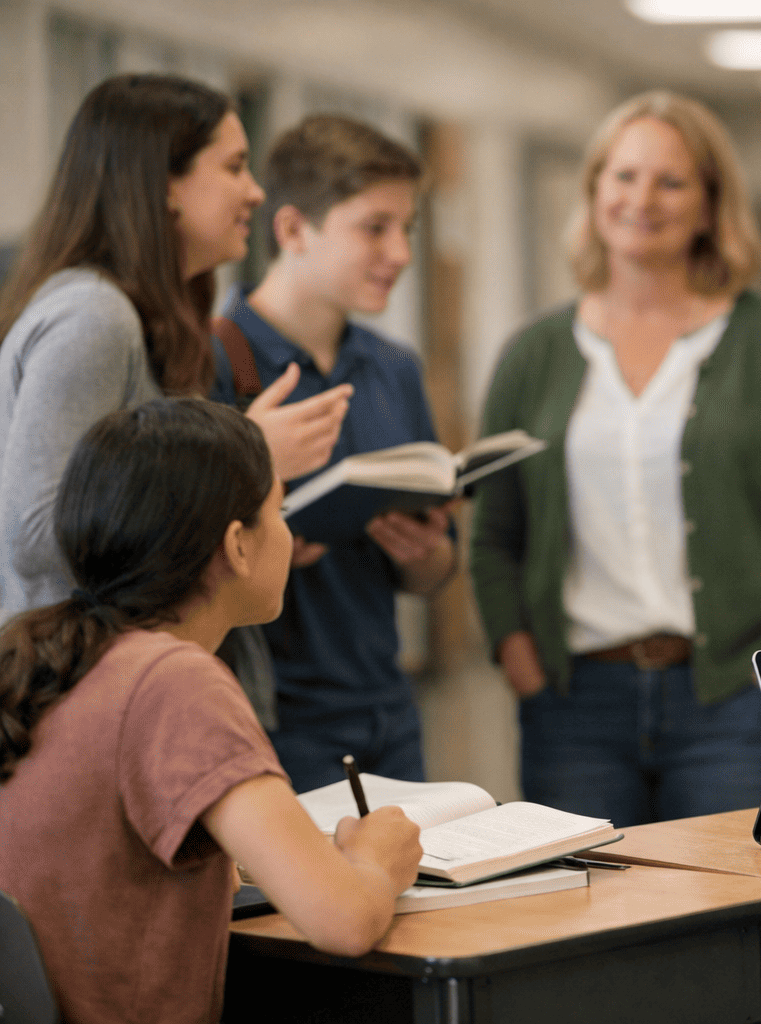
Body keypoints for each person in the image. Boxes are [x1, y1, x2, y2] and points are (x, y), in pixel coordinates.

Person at [471, 90, 761, 828]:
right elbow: (495, 534)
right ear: (594, 191)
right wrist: (519, 660)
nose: (641, 200)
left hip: (734, 697)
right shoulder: (533, 353)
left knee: (730, 891)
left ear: (711, 205)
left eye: (671, 181)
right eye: (623, 176)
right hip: (574, 705)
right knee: (584, 893)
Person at [0, 398, 422, 1024]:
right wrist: (374, 860)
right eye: (279, 511)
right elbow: (343, 921)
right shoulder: (174, 682)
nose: (287, 532)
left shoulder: (53, 655)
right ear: (237, 545)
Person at [0, 73, 351, 627]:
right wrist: (243, 460)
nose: (256, 192)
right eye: (234, 167)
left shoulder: (148, 315)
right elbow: (37, 538)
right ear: (165, 184)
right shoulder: (94, 317)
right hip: (80, 667)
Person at [211, 114, 455, 794]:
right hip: (269, 720)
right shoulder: (210, 362)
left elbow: (436, 572)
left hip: (390, 709)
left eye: (406, 228)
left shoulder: (394, 368)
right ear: (293, 230)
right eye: (375, 227)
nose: (400, 253)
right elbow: (169, 561)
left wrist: (425, 552)